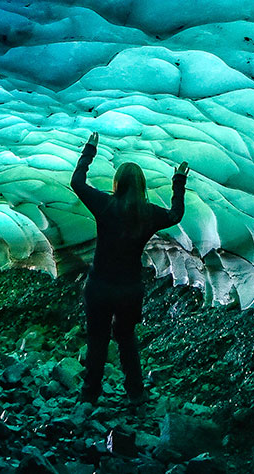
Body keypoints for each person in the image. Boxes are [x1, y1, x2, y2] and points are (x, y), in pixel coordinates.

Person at [70, 132, 189, 404]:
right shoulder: (148, 213)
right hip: (129, 290)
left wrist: (89, 151)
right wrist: (178, 181)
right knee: (126, 339)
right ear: (142, 186)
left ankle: (89, 397)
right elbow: (176, 215)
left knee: (97, 339)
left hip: (99, 287)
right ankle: (136, 395)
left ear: (117, 183)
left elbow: (76, 182)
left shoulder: (104, 204)